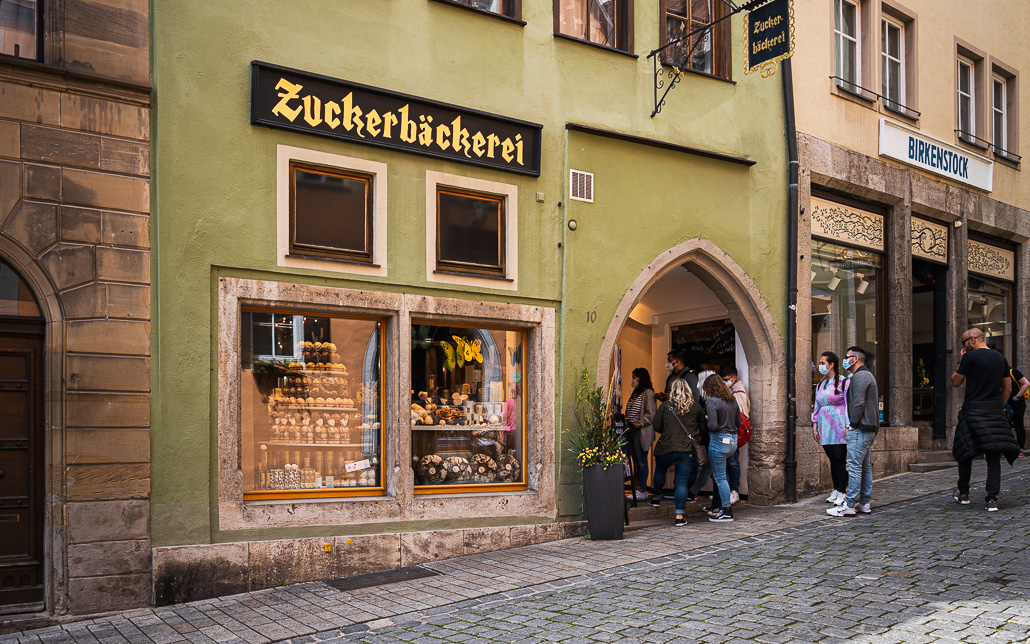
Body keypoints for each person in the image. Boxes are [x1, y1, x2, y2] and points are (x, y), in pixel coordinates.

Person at [950, 328, 1020, 511]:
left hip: (972, 411)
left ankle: (963, 493)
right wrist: (998, 406)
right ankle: (991, 499)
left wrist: (960, 360)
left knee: (964, 451)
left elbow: (955, 382)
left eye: (963, 342)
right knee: (993, 453)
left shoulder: (969, 358)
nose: (963, 346)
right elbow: (1008, 389)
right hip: (994, 412)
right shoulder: (1000, 358)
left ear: (972, 340)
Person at [827, 346, 879, 517]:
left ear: (855, 359)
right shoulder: (865, 375)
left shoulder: (860, 376)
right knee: (864, 467)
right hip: (867, 427)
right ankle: (864, 502)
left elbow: (858, 403)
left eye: (847, 356)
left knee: (854, 466)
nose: (845, 359)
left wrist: (853, 424)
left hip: (861, 427)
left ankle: (849, 504)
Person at [649, 379, 706, 526]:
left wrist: (668, 432)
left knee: (660, 470)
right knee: (681, 482)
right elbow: (702, 429)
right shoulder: (696, 407)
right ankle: (679, 516)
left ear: (673, 391)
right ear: (688, 390)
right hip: (687, 449)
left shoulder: (665, 406)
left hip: (666, 447)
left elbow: (656, 425)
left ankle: (655, 498)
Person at [702, 375, 740, 523]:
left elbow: (712, 426)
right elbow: (738, 422)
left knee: (720, 477)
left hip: (718, 441)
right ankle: (725, 507)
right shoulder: (732, 400)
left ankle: (726, 510)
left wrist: (707, 419)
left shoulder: (712, 402)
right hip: (732, 441)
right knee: (723, 475)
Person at [812, 351, 849, 505]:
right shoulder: (820, 385)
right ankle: (836, 488)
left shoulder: (844, 382)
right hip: (825, 425)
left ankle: (842, 490)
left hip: (839, 424)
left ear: (831, 364)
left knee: (840, 458)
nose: (820, 366)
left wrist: (848, 425)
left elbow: (848, 404)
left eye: (822, 363)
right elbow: (816, 407)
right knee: (832, 459)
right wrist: (815, 427)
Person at [624, 368, 657, 500]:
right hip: (631, 429)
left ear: (640, 378)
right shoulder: (635, 392)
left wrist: (640, 423)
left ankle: (642, 488)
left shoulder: (648, 393)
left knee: (642, 460)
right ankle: (637, 488)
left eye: (634, 377)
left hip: (640, 430)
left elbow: (651, 413)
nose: (632, 380)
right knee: (635, 461)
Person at [722, 366, 750, 505]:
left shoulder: (738, 392)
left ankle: (734, 490)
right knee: (727, 463)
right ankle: (726, 491)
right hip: (728, 432)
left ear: (733, 378)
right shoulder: (729, 391)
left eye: (726, 379)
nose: (724, 382)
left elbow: (741, 415)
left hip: (732, 432)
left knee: (732, 462)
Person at [1006, 364, 1029, 457]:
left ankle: (1020, 448)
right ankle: (1008, 448)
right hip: (1006, 404)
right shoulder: (998, 374)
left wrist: (1018, 396)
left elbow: (1026, 383)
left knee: (1018, 424)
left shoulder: (1013, 372)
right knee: (1006, 425)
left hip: (1017, 403)